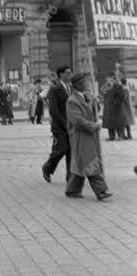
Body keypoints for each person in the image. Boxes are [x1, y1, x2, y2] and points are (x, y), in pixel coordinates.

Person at [65, 73, 111, 201]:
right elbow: (77, 121)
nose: (87, 83)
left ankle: (72, 190)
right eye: (84, 82)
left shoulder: (87, 96)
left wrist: (95, 103)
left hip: (90, 135)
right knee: (90, 162)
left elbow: (95, 110)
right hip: (80, 136)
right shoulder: (72, 101)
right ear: (77, 85)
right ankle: (101, 190)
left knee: (81, 163)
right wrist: (94, 126)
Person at [42, 65, 72, 183]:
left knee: (71, 152)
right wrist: (65, 125)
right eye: (68, 73)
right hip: (59, 127)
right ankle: (47, 168)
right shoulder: (55, 89)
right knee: (60, 150)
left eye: (71, 73)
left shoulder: (72, 88)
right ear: (61, 74)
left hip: (72, 125)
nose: (70, 75)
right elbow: (53, 110)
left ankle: (71, 177)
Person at [102, 75, 128, 141]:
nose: (107, 81)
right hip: (109, 108)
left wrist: (116, 102)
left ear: (112, 79)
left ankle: (121, 136)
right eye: (107, 80)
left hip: (117, 108)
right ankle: (111, 136)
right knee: (109, 124)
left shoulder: (118, 86)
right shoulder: (107, 86)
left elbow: (122, 95)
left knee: (119, 123)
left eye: (109, 79)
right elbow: (102, 91)